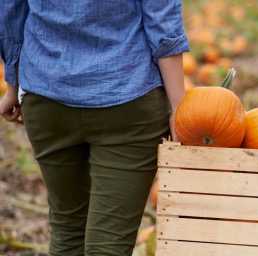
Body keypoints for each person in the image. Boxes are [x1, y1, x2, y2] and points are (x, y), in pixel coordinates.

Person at [0, 1, 189, 255]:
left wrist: (13, 84)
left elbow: (10, 9)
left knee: (67, 231)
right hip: (128, 96)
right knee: (109, 244)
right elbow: (161, 13)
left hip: (47, 94)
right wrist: (180, 108)